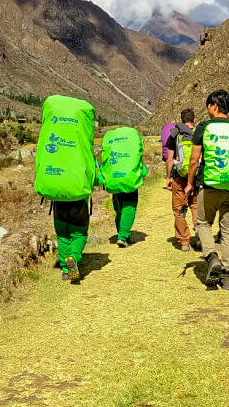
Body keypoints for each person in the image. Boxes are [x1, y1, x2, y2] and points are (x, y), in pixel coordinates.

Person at [185, 90, 229, 290]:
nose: (207, 109)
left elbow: (193, 161)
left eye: (208, 106)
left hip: (209, 186)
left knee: (204, 224)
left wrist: (190, 183)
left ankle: (212, 257)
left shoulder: (204, 128)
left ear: (214, 106)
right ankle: (226, 273)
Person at [33, 95, 97, 283]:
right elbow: (96, 176)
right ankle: (73, 259)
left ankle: (64, 268)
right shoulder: (83, 149)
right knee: (79, 233)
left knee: (62, 234)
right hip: (77, 198)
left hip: (58, 196)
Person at [98, 125, 147, 247]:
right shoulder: (131, 151)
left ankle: (122, 232)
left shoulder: (112, 144)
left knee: (119, 208)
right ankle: (123, 236)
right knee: (129, 207)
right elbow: (142, 168)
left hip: (114, 179)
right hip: (129, 180)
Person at [161, 108, 197, 250]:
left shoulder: (175, 135)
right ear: (194, 120)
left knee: (179, 208)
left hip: (179, 176)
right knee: (195, 205)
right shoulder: (198, 134)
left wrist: (169, 176)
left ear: (181, 120)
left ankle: (184, 241)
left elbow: (170, 159)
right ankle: (199, 232)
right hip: (195, 177)